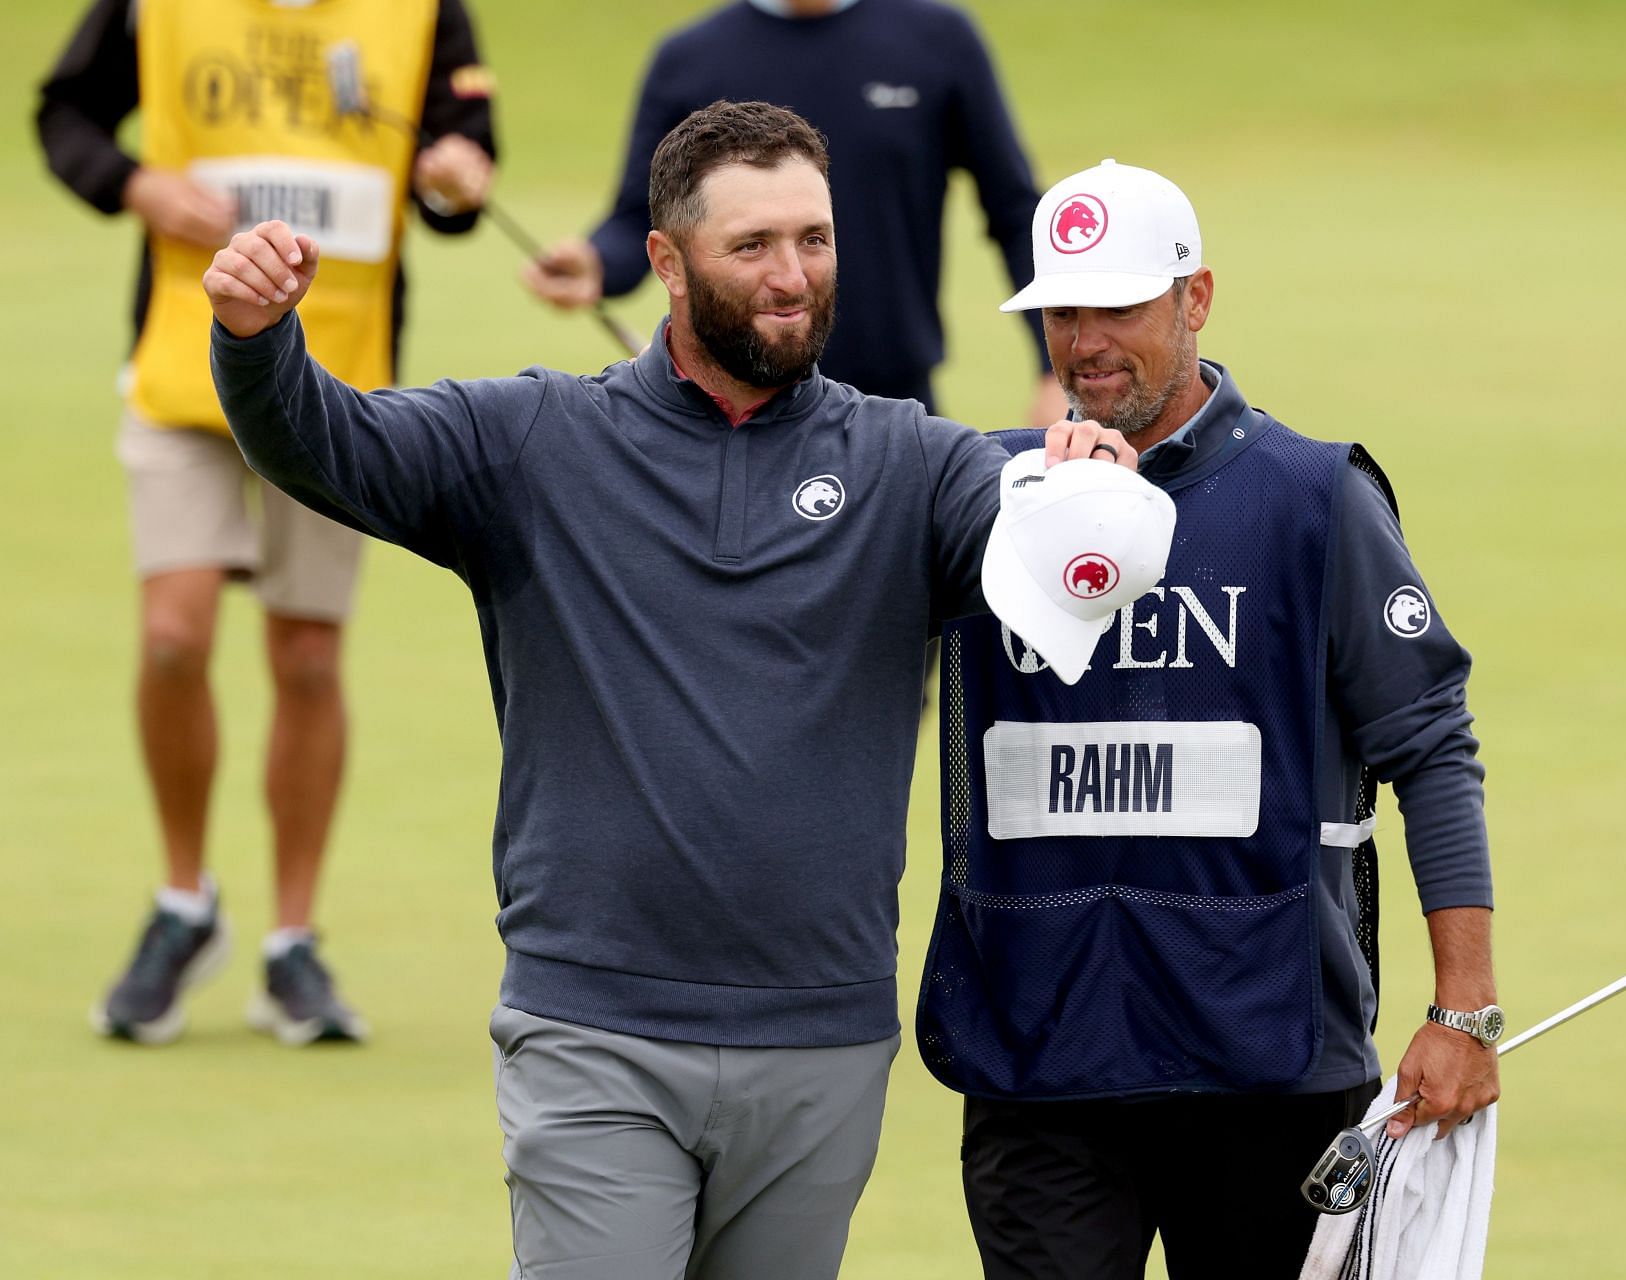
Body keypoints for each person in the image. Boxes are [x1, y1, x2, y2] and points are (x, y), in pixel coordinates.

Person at [201, 101, 1140, 1280]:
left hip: (823, 1041)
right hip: (593, 1029)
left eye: (815, 238)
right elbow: (328, 443)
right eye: (752, 246)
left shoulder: (910, 460)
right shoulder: (534, 441)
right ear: (665, 260)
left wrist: (1083, 482)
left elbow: (1042, 525)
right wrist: (256, 337)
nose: (793, 276)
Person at [918, 159, 1503, 1279]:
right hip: (1038, 1063)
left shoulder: (1313, 496)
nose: (1084, 340)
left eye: (1119, 306)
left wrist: (1464, 1009)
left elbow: (1431, 746)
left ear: (1197, 299)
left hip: (1264, 1066)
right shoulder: (981, 496)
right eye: (1061, 310)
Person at [36, 0, 499, 1045]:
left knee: (305, 659)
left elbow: (461, 160)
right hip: (179, 368)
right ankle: (183, 900)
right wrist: (133, 183)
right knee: (173, 634)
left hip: (334, 392)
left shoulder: (422, 10)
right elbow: (64, 113)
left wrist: (456, 181)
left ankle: (293, 940)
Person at [522, 0, 1066, 424]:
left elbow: (1017, 213)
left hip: (893, 399)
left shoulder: (939, 41)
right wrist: (597, 262)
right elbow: (640, 217)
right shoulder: (690, 60)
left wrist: (1052, 370)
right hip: (735, 405)